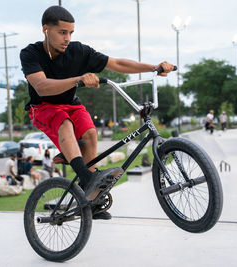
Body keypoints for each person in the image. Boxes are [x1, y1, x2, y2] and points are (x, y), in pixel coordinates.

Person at [20, 6, 174, 220]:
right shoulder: (30, 53)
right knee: (64, 123)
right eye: (62, 32)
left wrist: (153, 67)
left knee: (91, 134)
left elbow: (117, 63)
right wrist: (78, 79)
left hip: (71, 103)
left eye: (71, 33)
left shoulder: (79, 51)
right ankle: (85, 176)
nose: (67, 38)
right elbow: (42, 86)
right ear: (46, 30)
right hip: (43, 107)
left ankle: (91, 201)